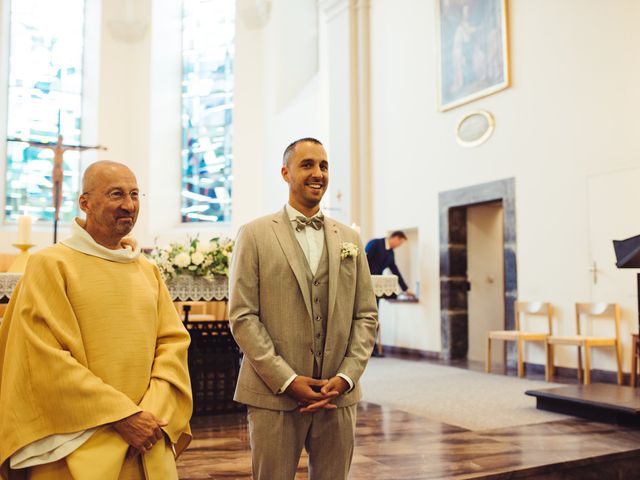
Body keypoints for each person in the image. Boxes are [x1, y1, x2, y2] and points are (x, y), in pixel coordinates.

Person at [0, 161, 192, 480]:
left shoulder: (147, 270)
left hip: (146, 438)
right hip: (75, 443)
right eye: (116, 194)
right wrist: (123, 416)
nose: (128, 205)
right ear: (85, 203)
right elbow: (43, 357)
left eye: (134, 194)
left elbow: (172, 344)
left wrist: (151, 413)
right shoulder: (50, 265)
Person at [229, 137, 378, 480]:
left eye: (324, 166)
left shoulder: (350, 240)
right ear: (285, 173)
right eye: (307, 164)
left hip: (337, 394)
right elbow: (243, 315)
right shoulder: (254, 234)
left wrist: (346, 377)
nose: (318, 173)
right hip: (274, 393)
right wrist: (287, 379)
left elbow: (365, 314)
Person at [365, 231, 414, 296]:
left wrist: (405, 289)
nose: (399, 245)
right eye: (400, 243)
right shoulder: (375, 243)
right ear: (396, 238)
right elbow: (364, 260)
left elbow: (396, 272)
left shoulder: (391, 253)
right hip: (366, 282)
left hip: (377, 286)